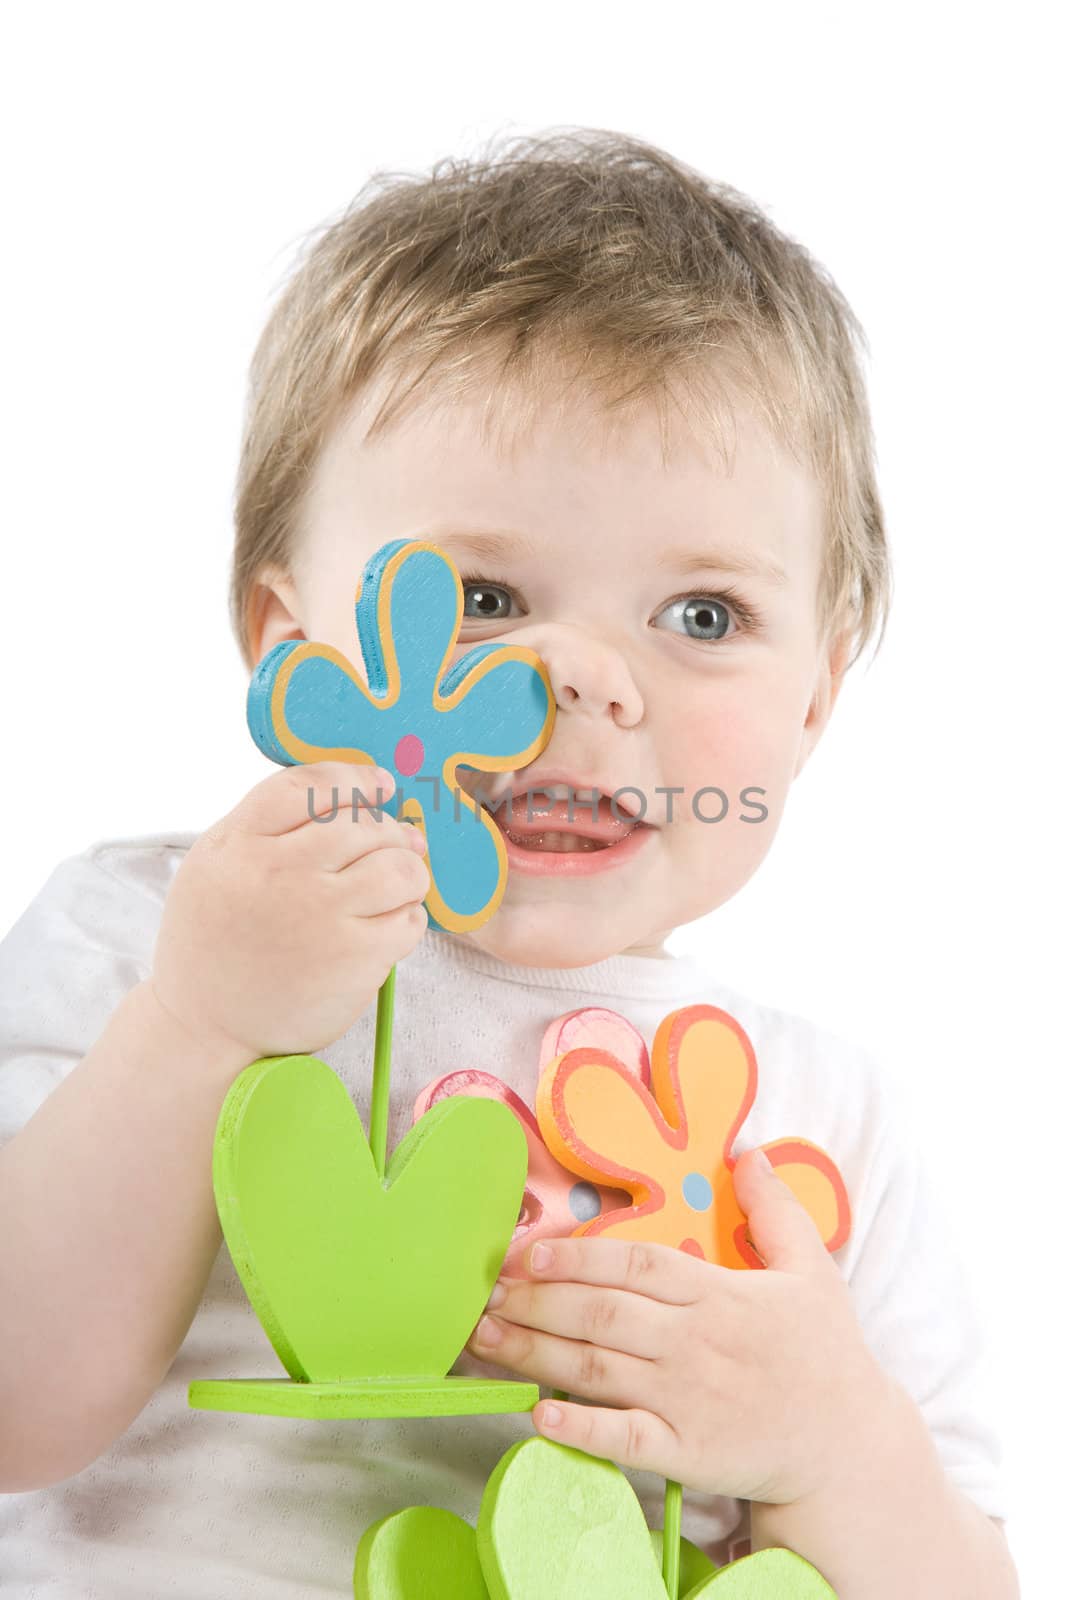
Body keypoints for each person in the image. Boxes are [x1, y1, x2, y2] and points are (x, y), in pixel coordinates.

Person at [0, 129, 1019, 1598]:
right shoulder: (150, 937)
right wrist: (197, 1028)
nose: (582, 680)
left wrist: (834, 1448)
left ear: (817, 699)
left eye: (706, 616)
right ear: (291, 645)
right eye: (480, 595)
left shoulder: (810, 1120)